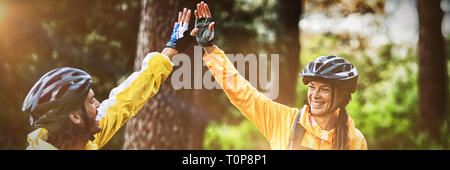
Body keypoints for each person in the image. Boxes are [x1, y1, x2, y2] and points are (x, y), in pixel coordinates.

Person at [191, 2, 367, 150]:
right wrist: (209, 47)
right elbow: (242, 93)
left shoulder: (354, 140)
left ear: (342, 96)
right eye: (312, 87)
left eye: (324, 90)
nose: (314, 95)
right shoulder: (283, 121)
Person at [22, 9, 194, 150]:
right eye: (91, 102)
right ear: (75, 116)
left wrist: (170, 50)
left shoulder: (83, 138)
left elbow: (124, 101)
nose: (98, 105)